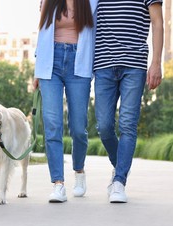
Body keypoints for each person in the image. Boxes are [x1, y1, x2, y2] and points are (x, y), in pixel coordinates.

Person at [93, 0, 164, 203]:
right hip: (104, 63)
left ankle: (119, 182)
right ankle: (120, 165)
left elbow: (157, 22)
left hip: (134, 64)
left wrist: (156, 63)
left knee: (127, 124)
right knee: (104, 126)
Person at [33, 0, 97, 203]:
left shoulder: (92, 2)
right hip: (50, 63)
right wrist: (37, 68)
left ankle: (79, 170)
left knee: (78, 127)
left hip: (79, 62)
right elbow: (42, 33)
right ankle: (58, 184)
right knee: (52, 124)